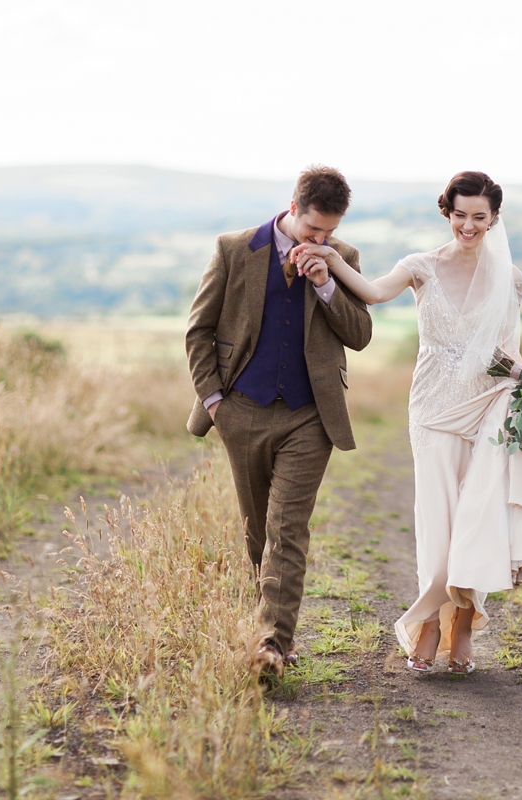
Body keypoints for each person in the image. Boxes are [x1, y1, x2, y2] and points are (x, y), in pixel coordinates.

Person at [292, 171, 522, 675]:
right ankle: (429, 622)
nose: (469, 225)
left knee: (475, 521)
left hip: (486, 409)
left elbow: (503, 355)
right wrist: (328, 259)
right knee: (437, 522)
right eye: (460, 214)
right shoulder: (420, 267)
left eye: (479, 217)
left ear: (494, 218)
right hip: (433, 411)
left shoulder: (511, 277)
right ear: (448, 212)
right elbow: (370, 293)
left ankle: (462, 622)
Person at [185, 165, 373, 677]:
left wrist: (327, 284)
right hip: (240, 410)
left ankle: (270, 644)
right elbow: (198, 332)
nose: (321, 241)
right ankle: (261, 626)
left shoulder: (342, 259)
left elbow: (360, 335)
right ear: (293, 209)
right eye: (314, 231)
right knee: (256, 533)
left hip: (310, 416)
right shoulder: (234, 249)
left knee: (286, 530)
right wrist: (216, 402)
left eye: (330, 233)